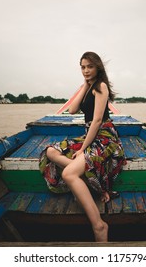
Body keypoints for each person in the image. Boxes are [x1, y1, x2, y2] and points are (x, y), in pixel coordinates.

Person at [39, 51, 125, 242]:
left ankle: (99, 225)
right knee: (51, 151)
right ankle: (88, 179)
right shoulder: (88, 86)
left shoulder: (101, 86)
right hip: (90, 135)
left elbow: (96, 122)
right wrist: (84, 85)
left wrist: (82, 150)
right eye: (83, 67)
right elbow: (72, 110)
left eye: (90, 67)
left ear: (98, 67)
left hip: (104, 137)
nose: (86, 70)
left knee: (68, 173)